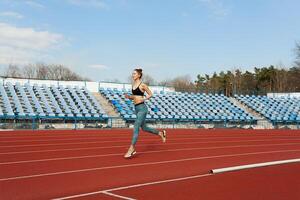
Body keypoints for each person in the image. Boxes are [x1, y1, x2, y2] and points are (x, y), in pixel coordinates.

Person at [124, 68, 166, 158]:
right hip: (136, 108)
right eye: (132, 73)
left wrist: (145, 98)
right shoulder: (133, 85)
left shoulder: (143, 85)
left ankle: (132, 148)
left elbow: (150, 94)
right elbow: (135, 96)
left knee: (136, 127)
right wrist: (129, 97)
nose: (132, 75)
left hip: (142, 108)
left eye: (134, 73)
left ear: (139, 75)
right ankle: (160, 133)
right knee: (144, 128)